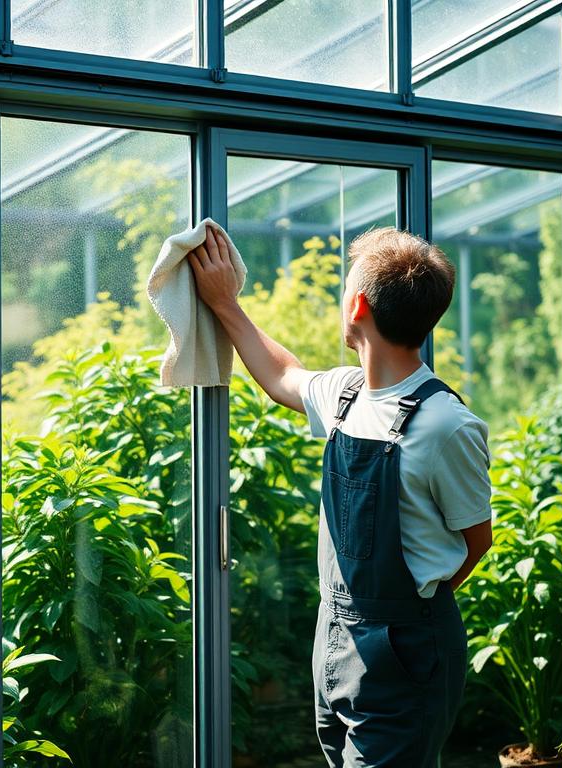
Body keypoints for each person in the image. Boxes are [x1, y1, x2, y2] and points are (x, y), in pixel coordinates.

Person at [186, 224, 493, 767]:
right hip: (335, 635)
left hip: (405, 649)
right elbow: (283, 375)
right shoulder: (344, 394)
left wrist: (404, 611)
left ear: (356, 306)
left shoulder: (447, 425)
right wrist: (225, 304)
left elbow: (476, 539)